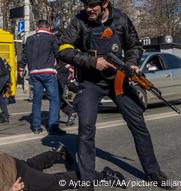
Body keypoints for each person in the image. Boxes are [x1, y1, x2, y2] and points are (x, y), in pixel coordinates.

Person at [58, 0, 174, 190]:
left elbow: (134, 45)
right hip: (90, 82)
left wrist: (132, 62)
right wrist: (92, 61)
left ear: (105, 3)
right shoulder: (78, 21)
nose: (88, 9)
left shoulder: (121, 19)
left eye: (93, 5)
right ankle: (87, 181)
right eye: (85, 4)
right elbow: (62, 49)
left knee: (138, 123)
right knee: (86, 127)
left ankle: (153, 172)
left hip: (118, 80)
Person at [19, 20, 65, 135]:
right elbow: (57, 53)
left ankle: (35, 127)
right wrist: (65, 65)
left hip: (34, 73)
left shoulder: (29, 39)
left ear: (37, 28)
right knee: (54, 99)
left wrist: (21, 68)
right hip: (48, 72)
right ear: (48, 28)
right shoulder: (51, 38)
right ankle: (53, 126)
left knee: (36, 100)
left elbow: (24, 55)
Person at [56, 60, 78, 126]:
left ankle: (54, 121)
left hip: (60, 71)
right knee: (57, 98)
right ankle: (70, 112)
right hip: (61, 71)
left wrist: (68, 66)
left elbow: (61, 54)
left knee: (56, 98)